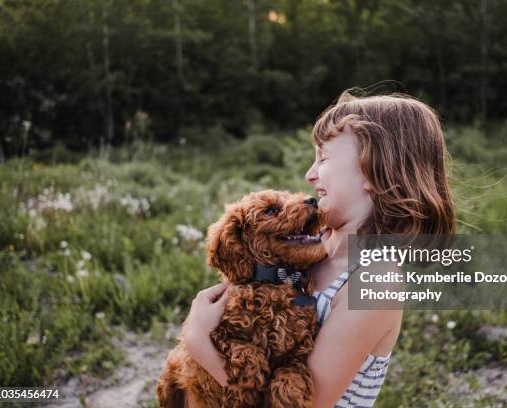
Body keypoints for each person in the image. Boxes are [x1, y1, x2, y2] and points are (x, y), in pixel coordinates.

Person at [182, 91, 456, 407]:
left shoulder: (375, 281)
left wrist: (198, 341)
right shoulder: (305, 252)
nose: (309, 174)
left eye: (323, 158)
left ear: (373, 169)